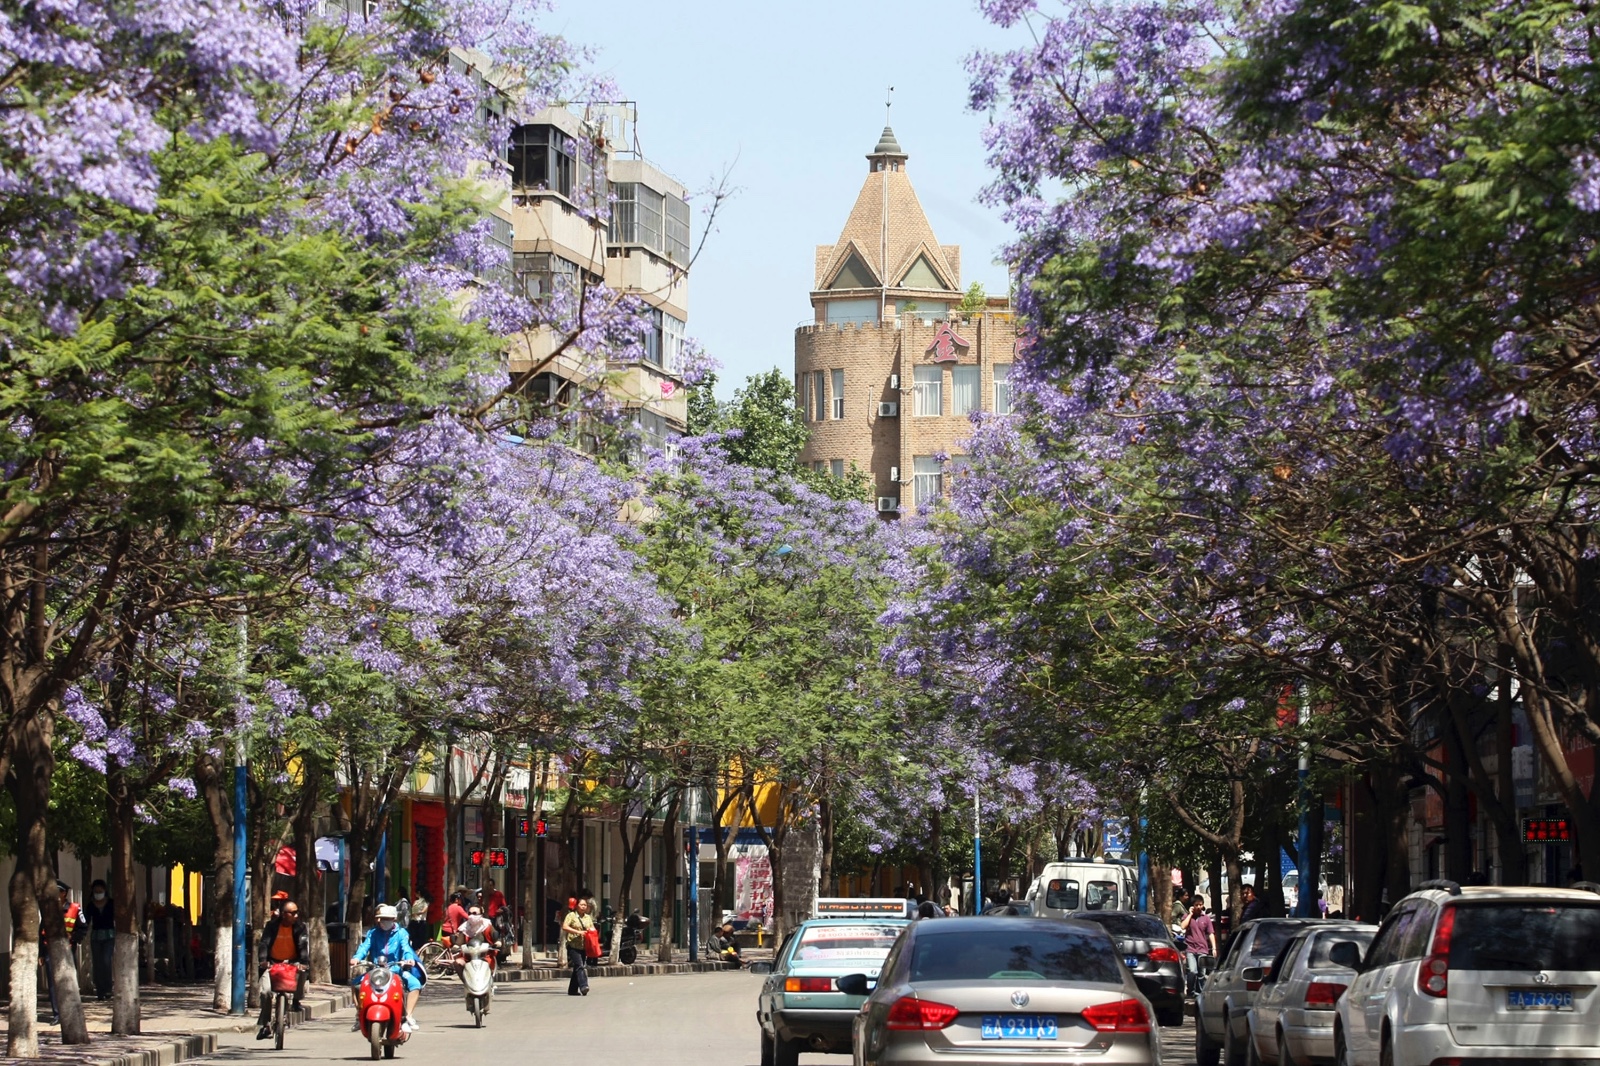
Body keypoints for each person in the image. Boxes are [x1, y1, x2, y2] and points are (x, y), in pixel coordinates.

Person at [350, 904, 423, 1033]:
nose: (383, 922)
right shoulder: (373, 933)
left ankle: (408, 1016)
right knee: (356, 985)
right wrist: (356, 958)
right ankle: (359, 1015)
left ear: (394, 919)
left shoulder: (401, 933)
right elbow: (364, 947)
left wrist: (408, 959)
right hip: (375, 971)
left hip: (396, 970)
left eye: (387, 919)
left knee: (415, 984)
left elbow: (405, 948)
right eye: (381, 918)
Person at [255, 899, 309, 1040]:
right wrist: (263, 961)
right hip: (272, 964)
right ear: (284, 914)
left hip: (292, 963)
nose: (296, 915)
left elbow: (303, 945)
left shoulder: (300, 927)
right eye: (293, 913)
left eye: (297, 912)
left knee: (302, 972)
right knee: (266, 992)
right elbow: (264, 944)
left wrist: (303, 962)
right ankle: (266, 1025)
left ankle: (296, 1001)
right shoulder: (272, 926)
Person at [78, 878, 115, 1000]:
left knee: (106, 961)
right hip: (96, 937)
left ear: (105, 890)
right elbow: (86, 921)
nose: (98, 893)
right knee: (97, 964)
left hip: (109, 936)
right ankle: (100, 990)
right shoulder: (90, 905)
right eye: (96, 890)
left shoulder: (111, 903)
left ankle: (108, 988)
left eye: (100, 890)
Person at [1179, 894, 1217, 995]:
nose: (1199, 907)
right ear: (1193, 906)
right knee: (1192, 971)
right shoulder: (1187, 917)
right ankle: (1190, 991)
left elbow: (1211, 933)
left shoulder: (1206, 918)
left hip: (1202, 949)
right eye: (1197, 905)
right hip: (1190, 949)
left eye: (1201, 905)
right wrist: (1190, 914)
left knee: (1202, 973)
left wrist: (1214, 948)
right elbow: (1183, 926)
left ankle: (1200, 993)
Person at [562, 898, 596, 996]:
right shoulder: (571, 916)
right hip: (573, 945)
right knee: (580, 965)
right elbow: (565, 927)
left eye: (585, 905)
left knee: (578, 967)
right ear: (577, 906)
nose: (583, 907)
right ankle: (583, 985)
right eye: (581, 905)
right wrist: (578, 932)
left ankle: (572, 990)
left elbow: (592, 927)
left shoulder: (587, 917)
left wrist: (591, 931)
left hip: (584, 946)